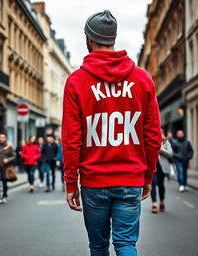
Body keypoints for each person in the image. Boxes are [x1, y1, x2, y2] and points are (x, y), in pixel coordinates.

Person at [62, 10, 161, 256]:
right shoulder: (142, 79)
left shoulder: (76, 81)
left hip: (94, 181)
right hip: (130, 178)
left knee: (98, 246)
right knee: (126, 244)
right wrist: (148, 175)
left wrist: (70, 182)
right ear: (113, 38)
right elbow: (153, 135)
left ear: (89, 39)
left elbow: (72, 139)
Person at [151, 129, 173, 213]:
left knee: (161, 185)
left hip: (162, 168)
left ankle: (161, 201)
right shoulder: (151, 141)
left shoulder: (165, 142)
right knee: (153, 183)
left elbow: (171, 154)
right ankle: (154, 204)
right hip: (153, 167)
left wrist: (162, 150)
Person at [0, 133, 16, 204]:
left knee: (4, 182)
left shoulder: (9, 147)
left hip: (6, 167)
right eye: (0, 137)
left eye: (3, 137)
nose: (1, 139)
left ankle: (4, 195)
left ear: (5, 138)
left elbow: (14, 156)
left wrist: (8, 159)